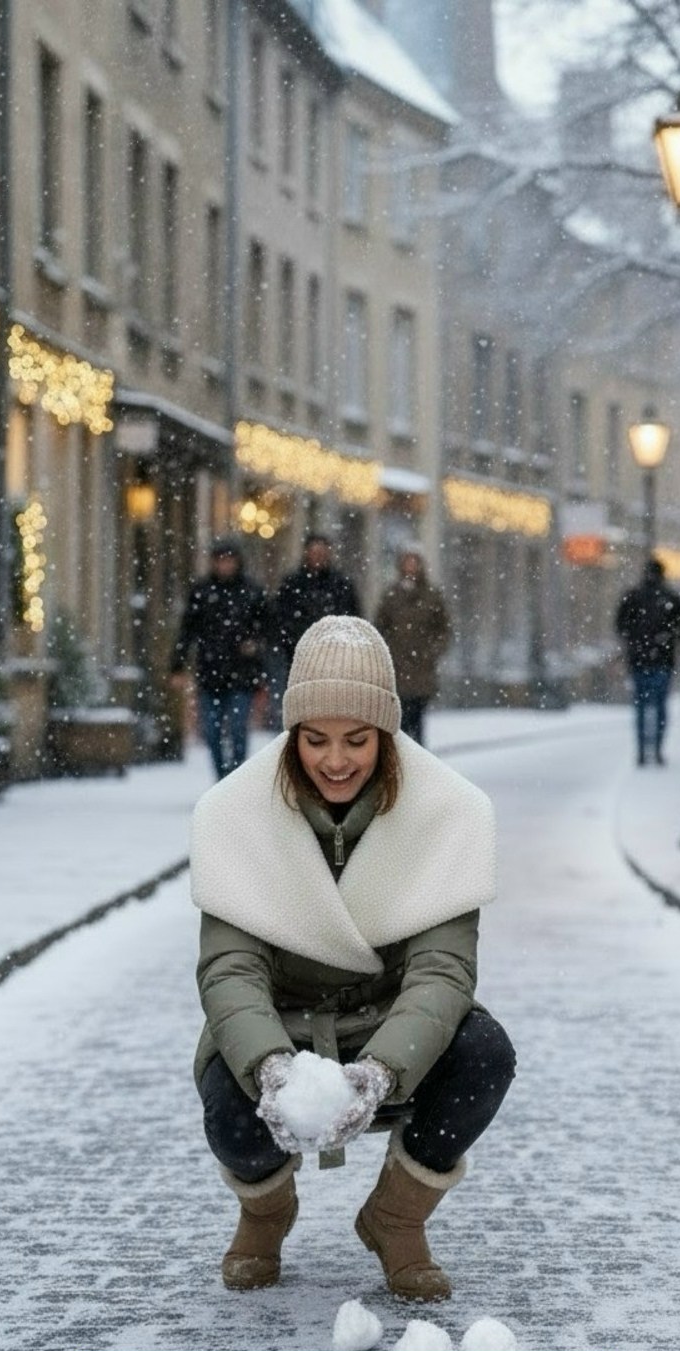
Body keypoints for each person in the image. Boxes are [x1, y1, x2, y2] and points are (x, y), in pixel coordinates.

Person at [189, 616, 515, 1301]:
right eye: (315, 740)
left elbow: (442, 971)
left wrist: (381, 1071)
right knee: (227, 1083)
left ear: (388, 739)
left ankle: (396, 1219)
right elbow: (231, 970)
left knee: (484, 1052)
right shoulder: (236, 817)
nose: (335, 760)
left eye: (357, 740)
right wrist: (272, 1066)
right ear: (290, 740)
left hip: (388, 1027)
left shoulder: (445, 815)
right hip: (284, 1026)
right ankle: (265, 1212)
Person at [169, 537, 268, 781]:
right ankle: (222, 776)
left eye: (229, 560)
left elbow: (268, 627)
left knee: (237, 728)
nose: (225, 565)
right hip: (210, 672)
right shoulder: (202, 592)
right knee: (211, 731)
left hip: (242, 674)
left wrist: (255, 644)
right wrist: (177, 665)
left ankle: (236, 776)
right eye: (220, 561)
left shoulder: (252, 592)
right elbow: (187, 630)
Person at [374, 544, 452, 745]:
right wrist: (387, 651)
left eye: (414, 562)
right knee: (398, 717)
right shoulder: (391, 594)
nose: (410, 567)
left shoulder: (432, 596)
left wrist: (432, 651)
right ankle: (400, 757)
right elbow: (380, 626)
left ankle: (416, 757)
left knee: (416, 717)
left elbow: (444, 629)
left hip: (421, 669)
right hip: (397, 666)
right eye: (407, 562)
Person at [615, 556, 680, 767]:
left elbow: (621, 626)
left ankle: (641, 749)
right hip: (662, 660)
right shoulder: (670, 598)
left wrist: (634, 641)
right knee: (660, 705)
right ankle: (657, 749)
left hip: (638, 660)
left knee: (640, 705)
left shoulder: (633, 597)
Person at [271, 533, 361, 674]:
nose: (318, 557)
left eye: (322, 553)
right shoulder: (292, 584)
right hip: (300, 656)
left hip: (334, 658)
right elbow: (281, 619)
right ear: (306, 553)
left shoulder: (341, 584)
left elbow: (352, 617)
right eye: (315, 552)